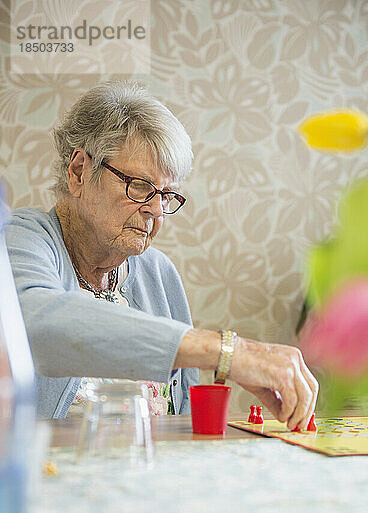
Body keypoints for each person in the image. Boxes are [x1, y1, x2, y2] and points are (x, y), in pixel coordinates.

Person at [5, 80, 318, 427]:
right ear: (79, 171)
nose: (155, 209)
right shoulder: (20, 238)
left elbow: (180, 420)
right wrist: (228, 352)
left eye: (166, 194)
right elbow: (36, 324)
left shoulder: (159, 273)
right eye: (139, 186)